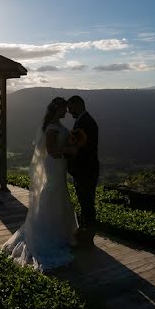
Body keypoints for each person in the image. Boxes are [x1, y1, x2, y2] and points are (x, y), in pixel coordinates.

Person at [2, 97, 79, 271]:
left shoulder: (56, 126)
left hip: (59, 166)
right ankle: (47, 233)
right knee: (51, 194)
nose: (66, 111)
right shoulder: (52, 128)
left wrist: (70, 143)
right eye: (63, 109)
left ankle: (60, 233)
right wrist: (70, 149)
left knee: (58, 195)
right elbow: (51, 151)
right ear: (57, 109)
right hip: (54, 165)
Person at [67, 95, 99, 245]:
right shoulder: (83, 121)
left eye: (71, 108)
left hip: (86, 170)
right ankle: (86, 233)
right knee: (85, 202)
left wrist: (66, 153)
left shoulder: (86, 123)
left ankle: (88, 236)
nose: (69, 111)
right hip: (85, 169)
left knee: (87, 203)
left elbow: (81, 148)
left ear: (78, 105)